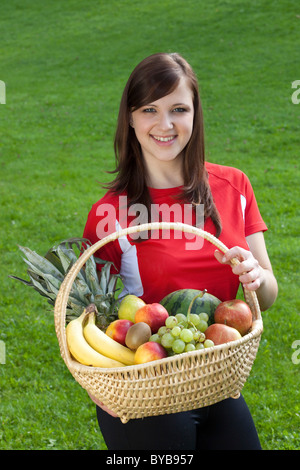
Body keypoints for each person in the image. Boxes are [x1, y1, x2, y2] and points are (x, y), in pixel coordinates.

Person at [82, 52, 278, 450]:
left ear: (195, 114)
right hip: (147, 391)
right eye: (149, 109)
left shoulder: (234, 187)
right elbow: (89, 312)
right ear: (131, 118)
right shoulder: (112, 212)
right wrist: (98, 378)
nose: (165, 124)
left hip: (218, 382)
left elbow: (268, 294)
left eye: (178, 109)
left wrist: (256, 277)